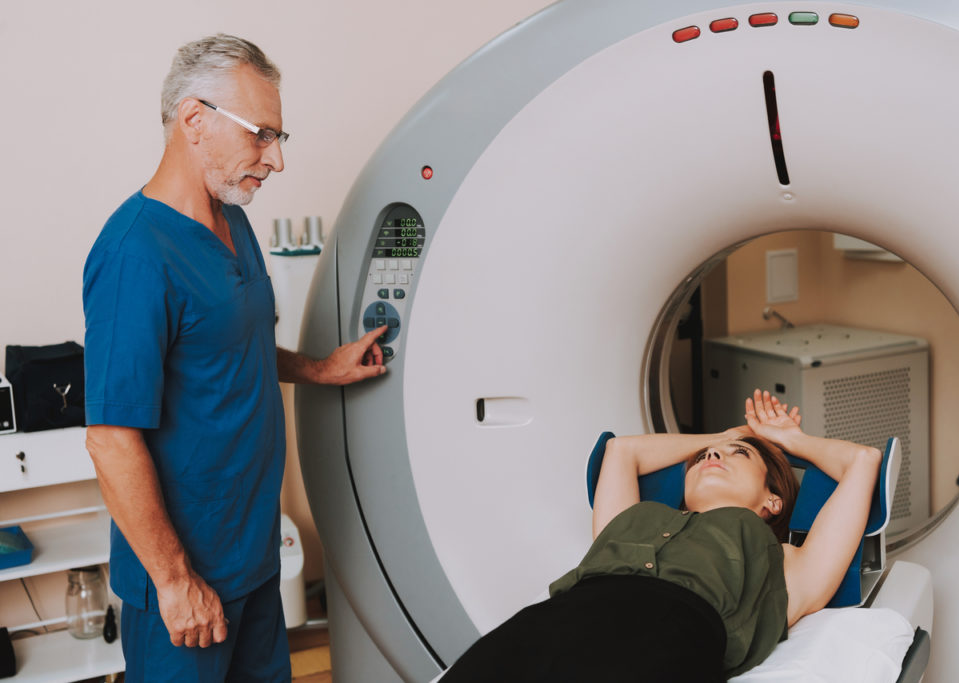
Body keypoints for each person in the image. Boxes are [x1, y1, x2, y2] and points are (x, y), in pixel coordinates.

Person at [82, 34, 387, 682]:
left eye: (280, 138)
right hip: (185, 586)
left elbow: (228, 345)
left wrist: (318, 368)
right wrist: (173, 579)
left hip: (252, 556)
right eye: (262, 135)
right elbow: (110, 437)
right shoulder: (137, 254)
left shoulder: (232, 219)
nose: (275, 159)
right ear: (195, 120)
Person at [440, 389, 882, 682]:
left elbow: (862, 461)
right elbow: (623, 450)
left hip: (664, 635)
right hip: (558, 617)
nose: (712, 454)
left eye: (739, 455)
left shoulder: (787, 561)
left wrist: (788, 440)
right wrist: (730, 434)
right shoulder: (638, 517)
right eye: (705, 455)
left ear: (772, 501)